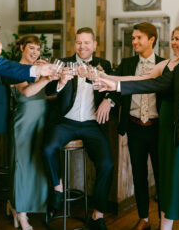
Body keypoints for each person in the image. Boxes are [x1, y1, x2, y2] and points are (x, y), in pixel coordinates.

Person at [98, 24, 179, 230]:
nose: (172, 42)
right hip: (164, 130)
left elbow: (153, 86)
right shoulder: (169, 65)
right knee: (166, 179)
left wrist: (117, 85)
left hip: (174, 130)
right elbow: (141, 79)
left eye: (177, 38)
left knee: (172, 179)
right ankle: (157, 222)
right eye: (172, 38)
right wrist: (107, 80)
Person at [43, 27, 114, 230]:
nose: (82, 46)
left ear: (94, 44)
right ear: (74, 44)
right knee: (47, 149)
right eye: (79, 42)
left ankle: (97, 214)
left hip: (92, 125)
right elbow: (49, 90)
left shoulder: (104, 64)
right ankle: (57, 188)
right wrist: (61, 81)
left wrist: (108, 100)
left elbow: (115, 88)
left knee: (107, 164)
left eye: (86, 42)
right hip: (66, 121)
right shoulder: (63, 63)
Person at [0, 14, 55, 223]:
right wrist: (41, 74)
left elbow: (8, 70)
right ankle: (18, 209)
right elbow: (21, 85)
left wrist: (41, 71)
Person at [109, 22, 164, 230]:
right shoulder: (126, 63)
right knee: (139, 175)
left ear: (151, 39)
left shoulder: (165, 64)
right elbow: (115, 88)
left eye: (138, 37)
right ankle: (144, 218)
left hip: (158, 128)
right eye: (133, 38)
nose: (134, 42)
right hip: (134, 128)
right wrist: (109, 99)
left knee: (161, 177)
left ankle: (163, 221)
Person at [6, 34, 59, 230]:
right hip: (23, 122)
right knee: (22, 166)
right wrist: (46, 77)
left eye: (38, 49)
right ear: (21, 48)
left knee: (36, 165)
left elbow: (43, 95)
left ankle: (16, 204)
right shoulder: (15, 69)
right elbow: (27, 92)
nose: (35, 52)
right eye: (31, 48)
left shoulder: (38, 69)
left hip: (41, 121)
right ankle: (21, 214)